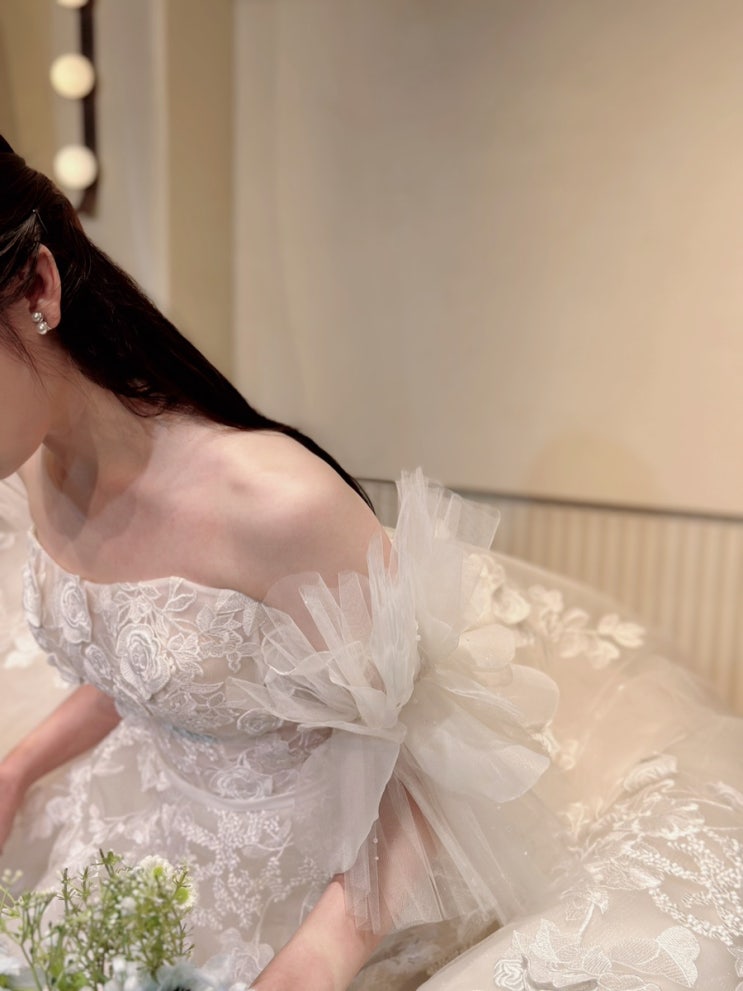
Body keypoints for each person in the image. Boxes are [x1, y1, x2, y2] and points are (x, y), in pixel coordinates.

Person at [0, 138, 740, 991]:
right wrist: (20, 767)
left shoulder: (273, 506)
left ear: (39, 289)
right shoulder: (35, 459)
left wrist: (328, 949)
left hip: (315, 883)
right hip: (137, 835)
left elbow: (433, 751)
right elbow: (140, 667)